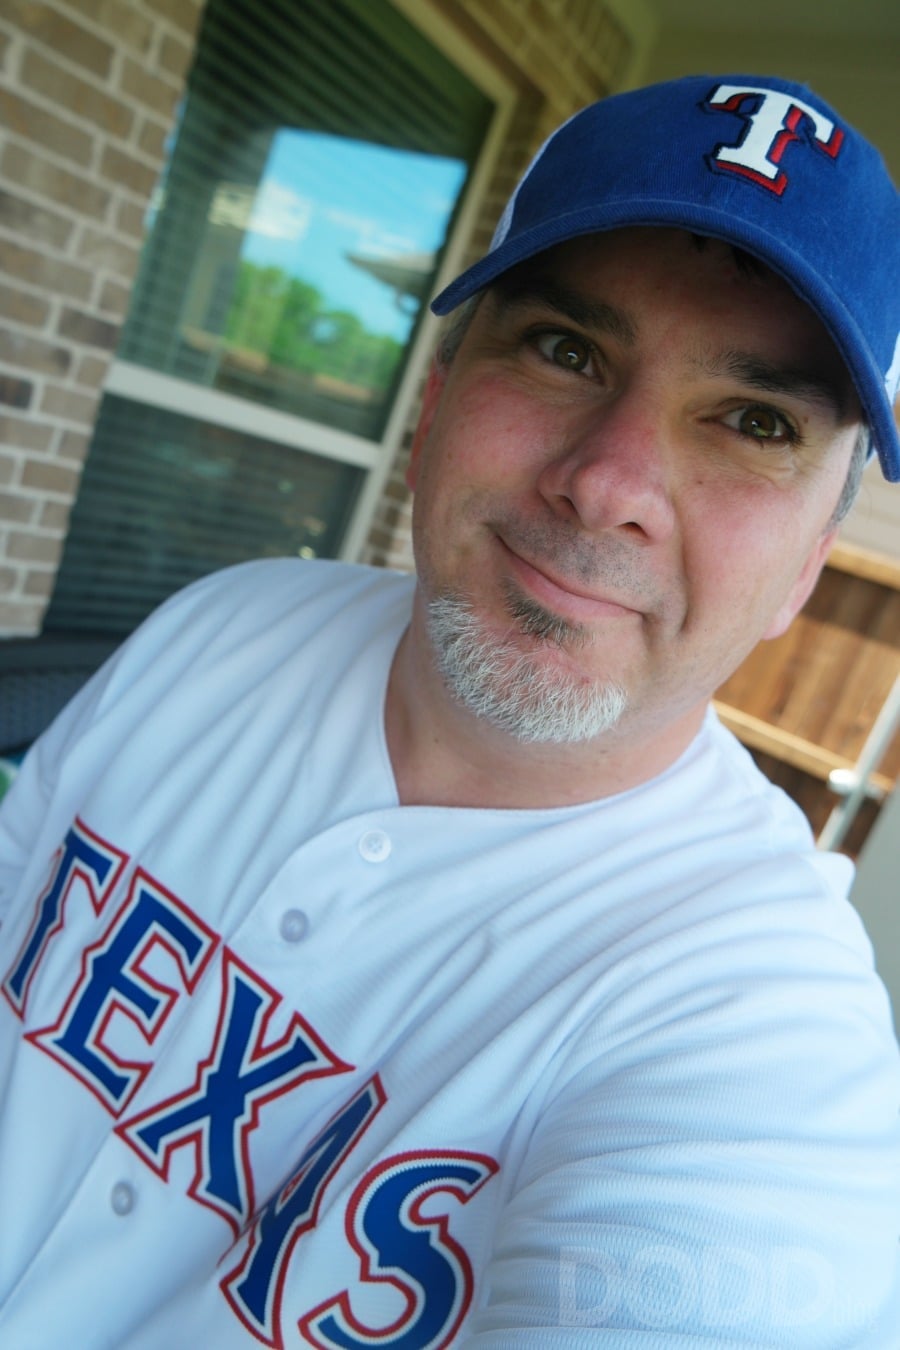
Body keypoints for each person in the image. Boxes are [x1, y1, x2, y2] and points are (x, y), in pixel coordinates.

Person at [0, 72, 898, 1348]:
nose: (607, 484)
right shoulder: (225, 625)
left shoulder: (760, 1040)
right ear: (435, 397)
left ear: (808, 564)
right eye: (564, 348)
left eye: (752, 421)